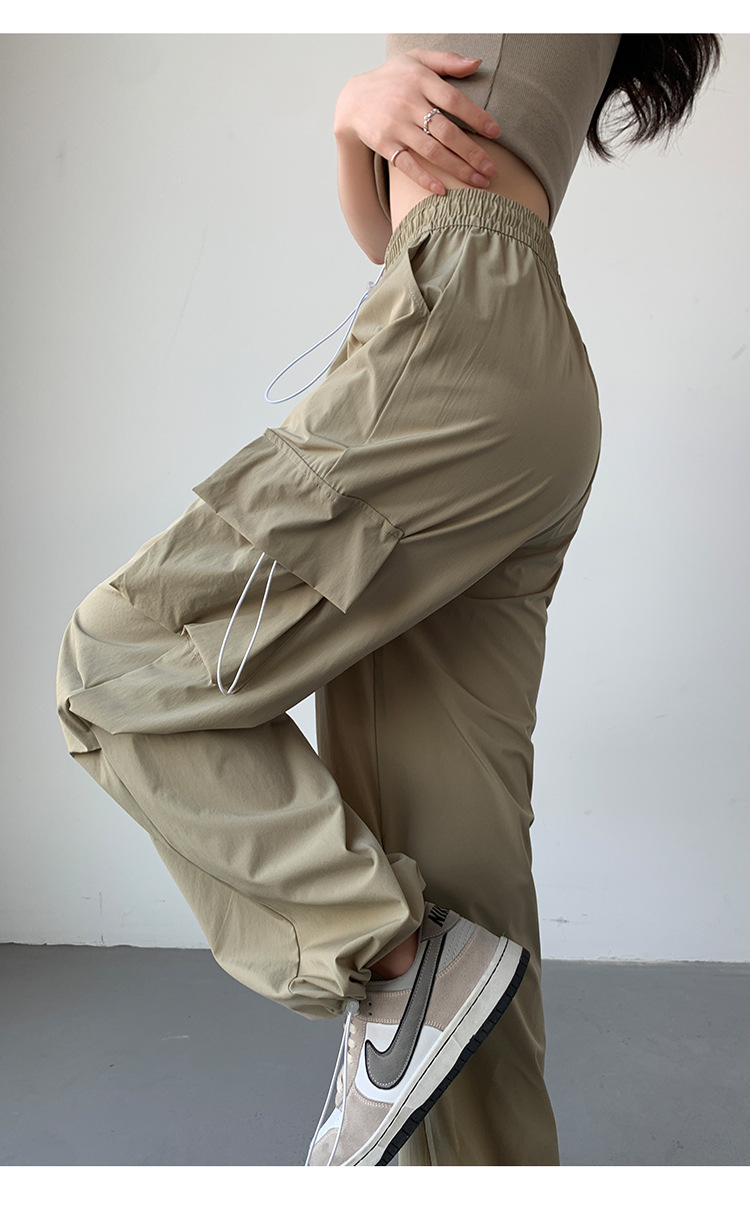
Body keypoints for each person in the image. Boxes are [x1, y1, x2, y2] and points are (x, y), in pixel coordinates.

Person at [56, 34, 723, 1167]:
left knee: (120, 665)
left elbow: (438, 231)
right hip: (503, 351)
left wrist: (361, 108)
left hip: (458, 334)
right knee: (450, 856)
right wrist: (351, 120)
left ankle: (398, 965)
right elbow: (392, 237)